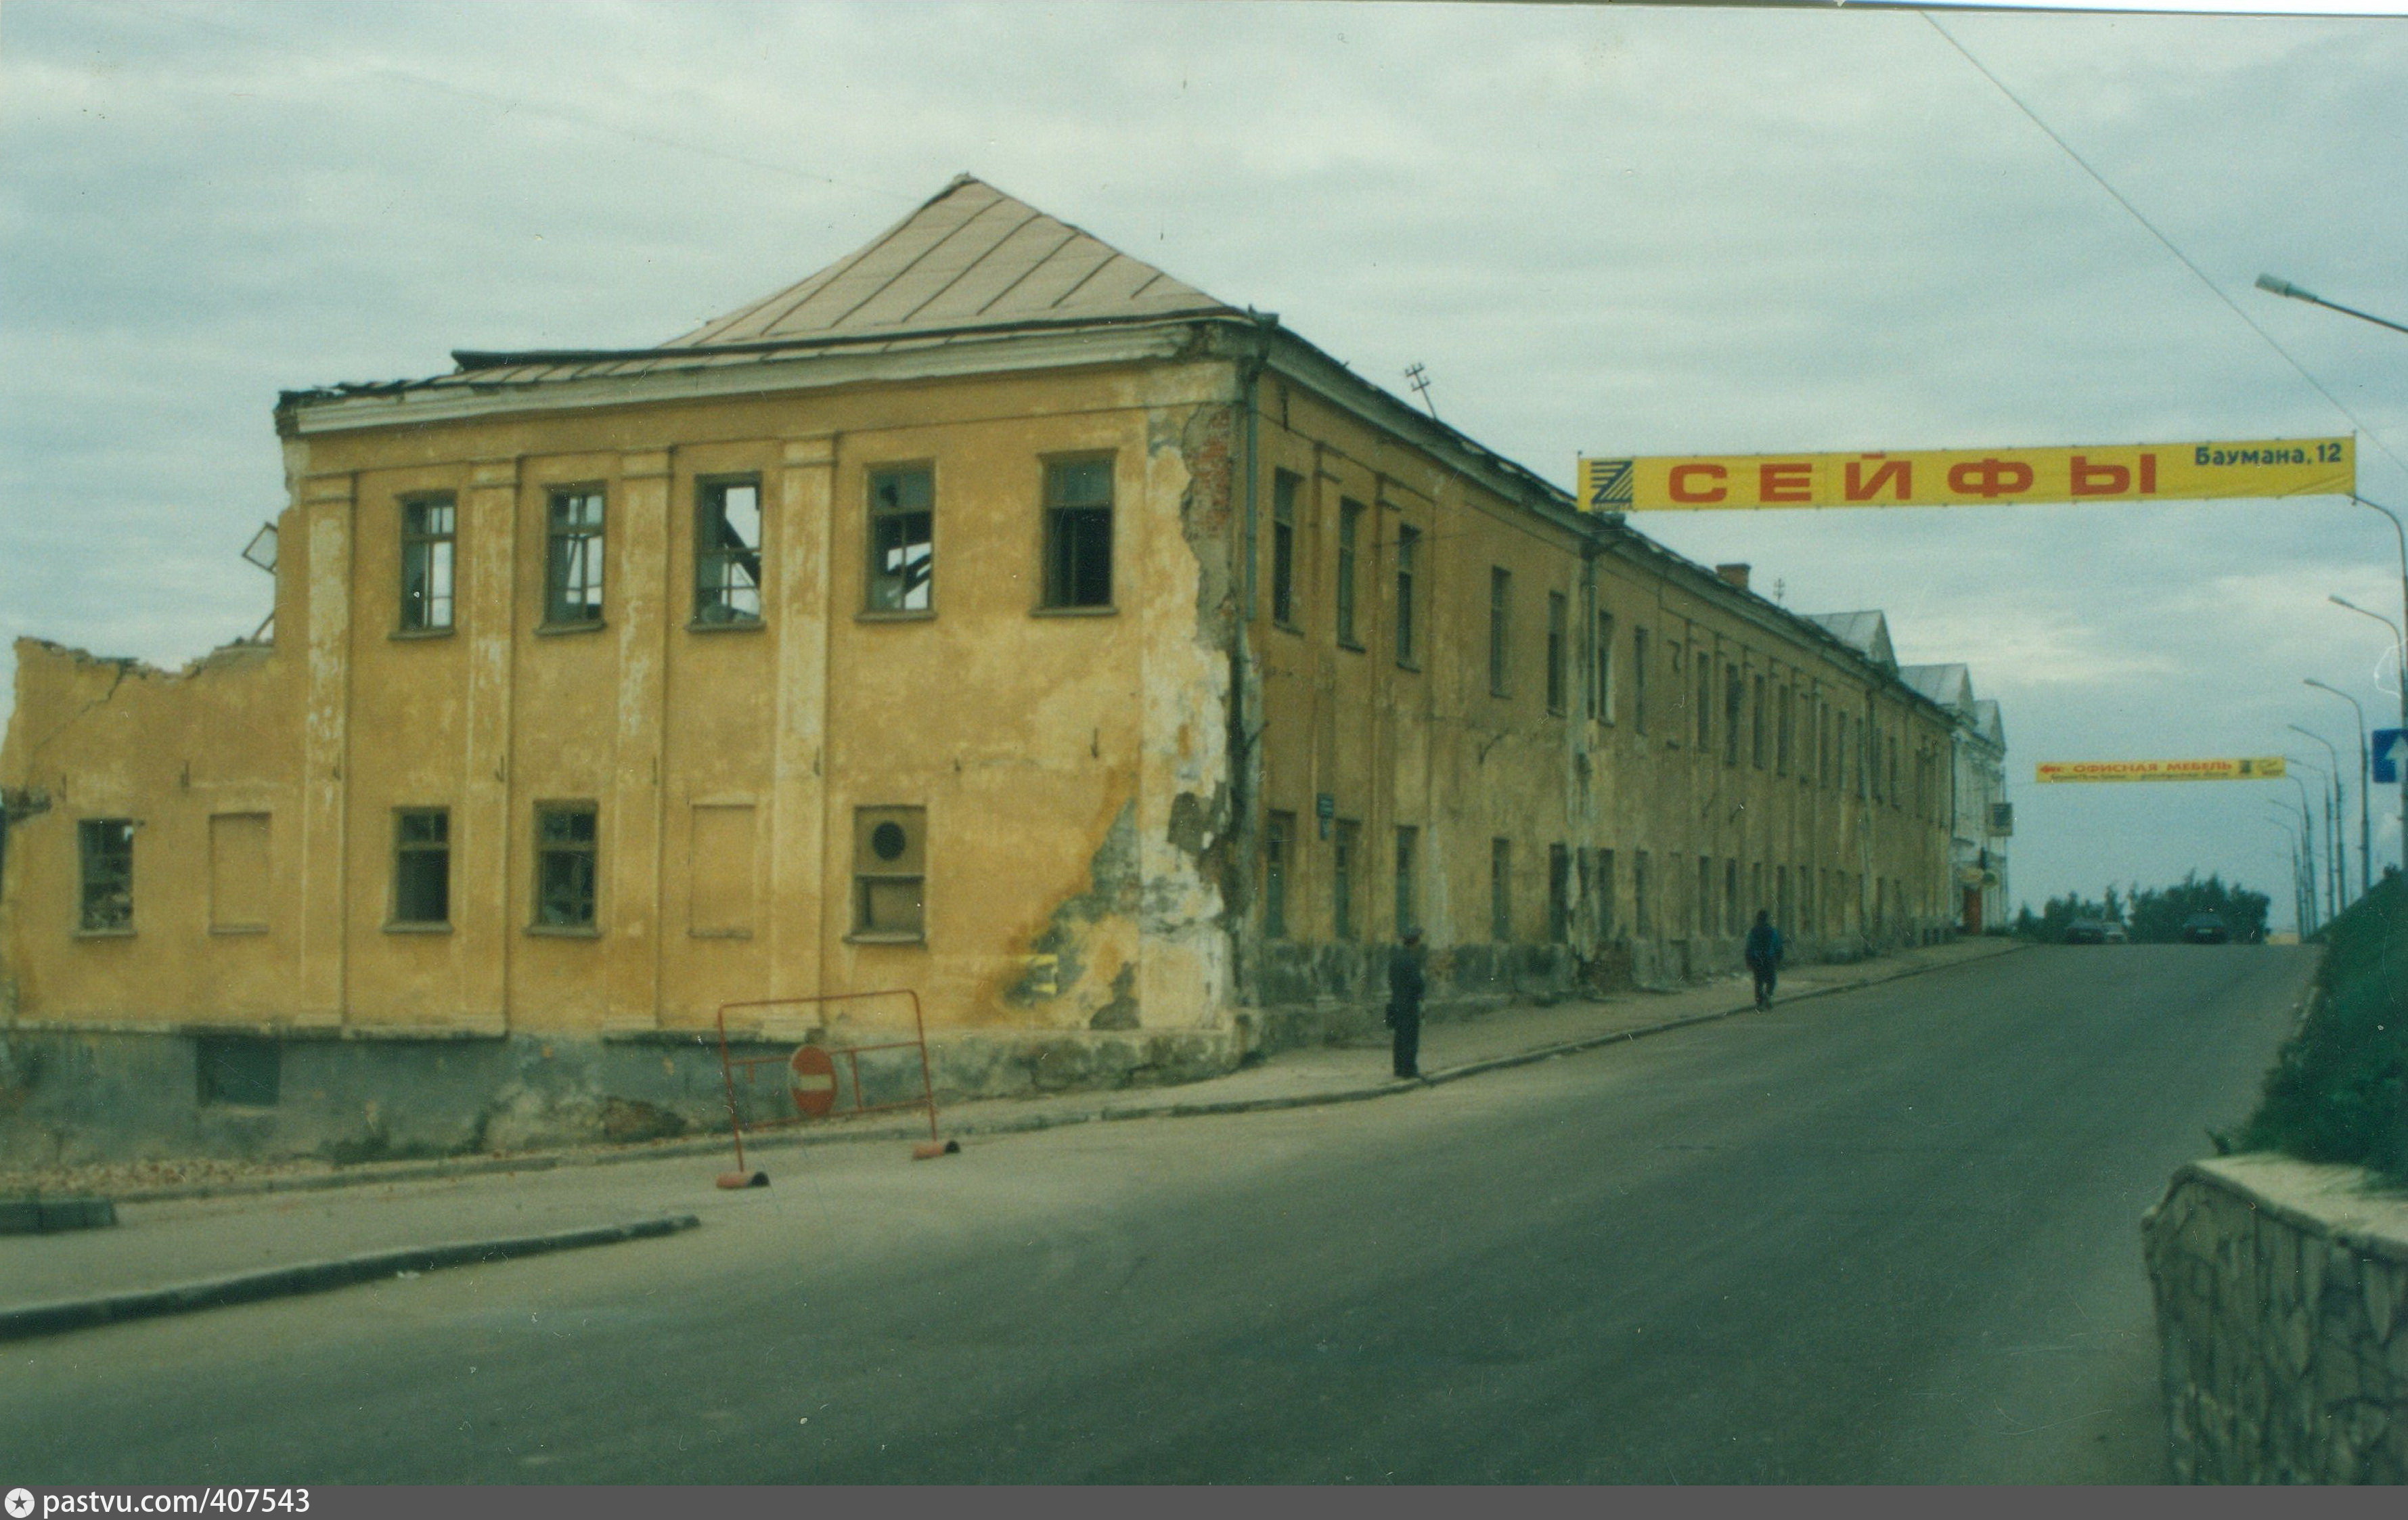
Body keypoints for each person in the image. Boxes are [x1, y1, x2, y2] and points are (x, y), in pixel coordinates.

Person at [1385, 929, 1427, 1079]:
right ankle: (1409, 1069)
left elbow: (1390, 980)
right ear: (1415, 943)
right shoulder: (1411, 961)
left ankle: (1398, 1068)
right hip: (1409, 1003)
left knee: (1399, 1037)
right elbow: (1418, 983)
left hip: (1396, 1001)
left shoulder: (1395, 959)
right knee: (1410, 1037)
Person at [1744, 909, 1783, 1010]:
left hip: (1757, 959)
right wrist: (1779, 959)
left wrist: (1749, 961)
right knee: (1771, 980)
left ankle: (1760, 1003)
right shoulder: (1772, 931)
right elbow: (1778, 946)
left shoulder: (1753, 932)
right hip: (1769, 959)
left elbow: (1749, 946)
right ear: (1767, 919)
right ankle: (1768, 995)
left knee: (1759, 981)